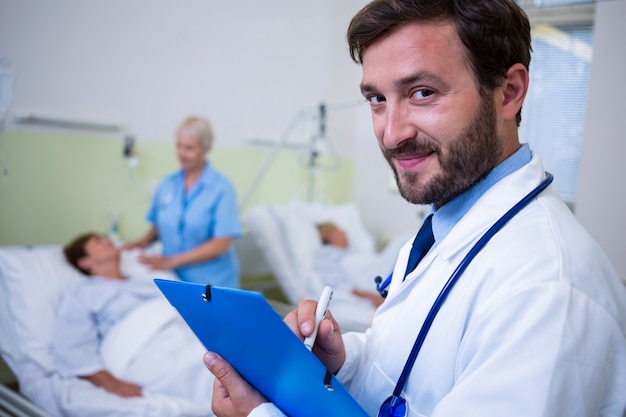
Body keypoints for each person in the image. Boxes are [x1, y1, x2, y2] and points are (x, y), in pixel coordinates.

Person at [202, 1, 626, 416]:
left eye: (422, 93)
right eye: (377, 99)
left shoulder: (547, 291)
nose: (390, 134)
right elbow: (408, 369)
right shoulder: (443, 227)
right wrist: (342, 363)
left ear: (509, 93)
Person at [52, 232, 214, 407]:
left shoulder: (145, 281)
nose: (107, 241)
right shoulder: (82, 292)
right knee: (207, 370)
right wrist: (111, 382)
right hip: (142, 349)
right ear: (85, 262)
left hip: (181, 332)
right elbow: (72, 346)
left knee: (225, 359)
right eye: (98, 242)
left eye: (106, 238)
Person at [125, 116, 242, 287]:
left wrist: (170, 261)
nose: (181, 153)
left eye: (189, 148)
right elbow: (160, 224)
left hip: (213, 282)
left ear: (205, 148)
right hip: (175, 278)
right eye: (179, 145)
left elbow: (221, 244)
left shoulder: (222, 189)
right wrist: (143, 242)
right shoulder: (167, 184)